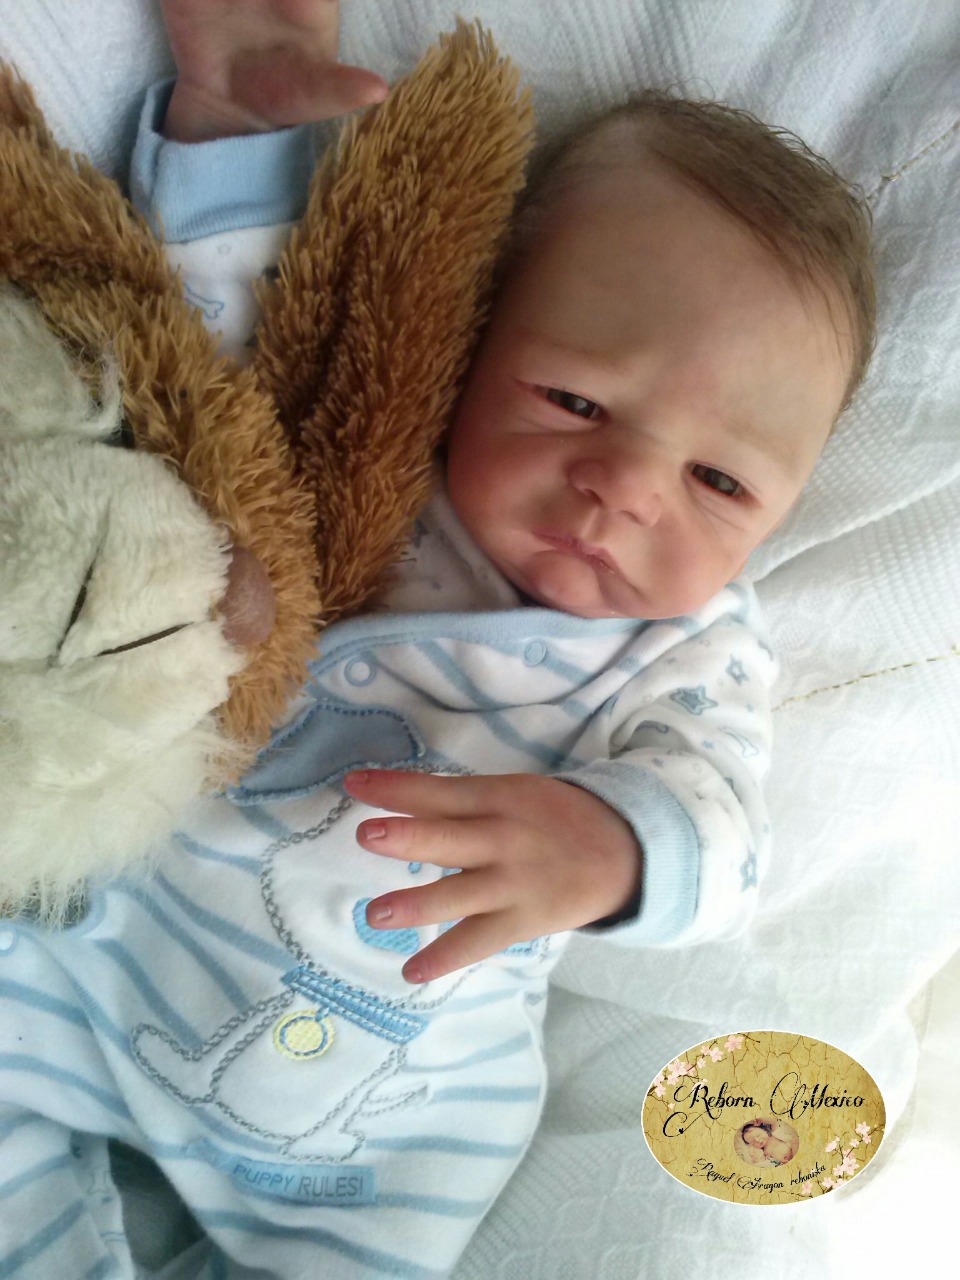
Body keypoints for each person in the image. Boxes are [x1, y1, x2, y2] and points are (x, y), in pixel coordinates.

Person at [0, 2, 874, 1276]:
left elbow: (728, 830)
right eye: (574, 398)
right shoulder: (381, 466)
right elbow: (222, 329)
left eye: (722, 482)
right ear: (472, 343)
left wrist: (610, 845)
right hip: (80, 953)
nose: (626, 487)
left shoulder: (683, 651)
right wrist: (233, 118)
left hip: (380, 1119)